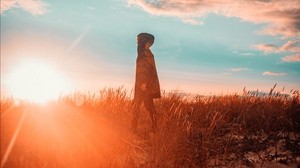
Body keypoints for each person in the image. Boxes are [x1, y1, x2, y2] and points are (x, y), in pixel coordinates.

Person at [131, 33, 161, 133]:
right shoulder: (144, 52)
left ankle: (134, 128)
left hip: (143, 85)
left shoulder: (145, 53)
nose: (137, 42)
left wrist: (144, 83)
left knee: (138, 106)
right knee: (146, 107)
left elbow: (146, 68)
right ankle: (154, 127)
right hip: (143, 84)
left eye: (139, 40)